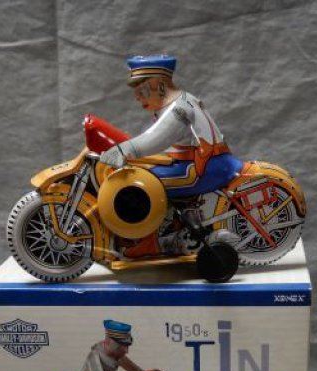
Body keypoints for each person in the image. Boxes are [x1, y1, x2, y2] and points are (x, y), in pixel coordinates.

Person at [100, 54, 244, 257]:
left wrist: (124, 150)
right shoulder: (175, 102)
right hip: (199, 162)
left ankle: (153, 242)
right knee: (142, 171)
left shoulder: (179, 109)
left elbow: (155, 138)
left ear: (158, 84)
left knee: (146, 183)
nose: (137, 97)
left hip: (206, 166)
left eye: (141, 89)